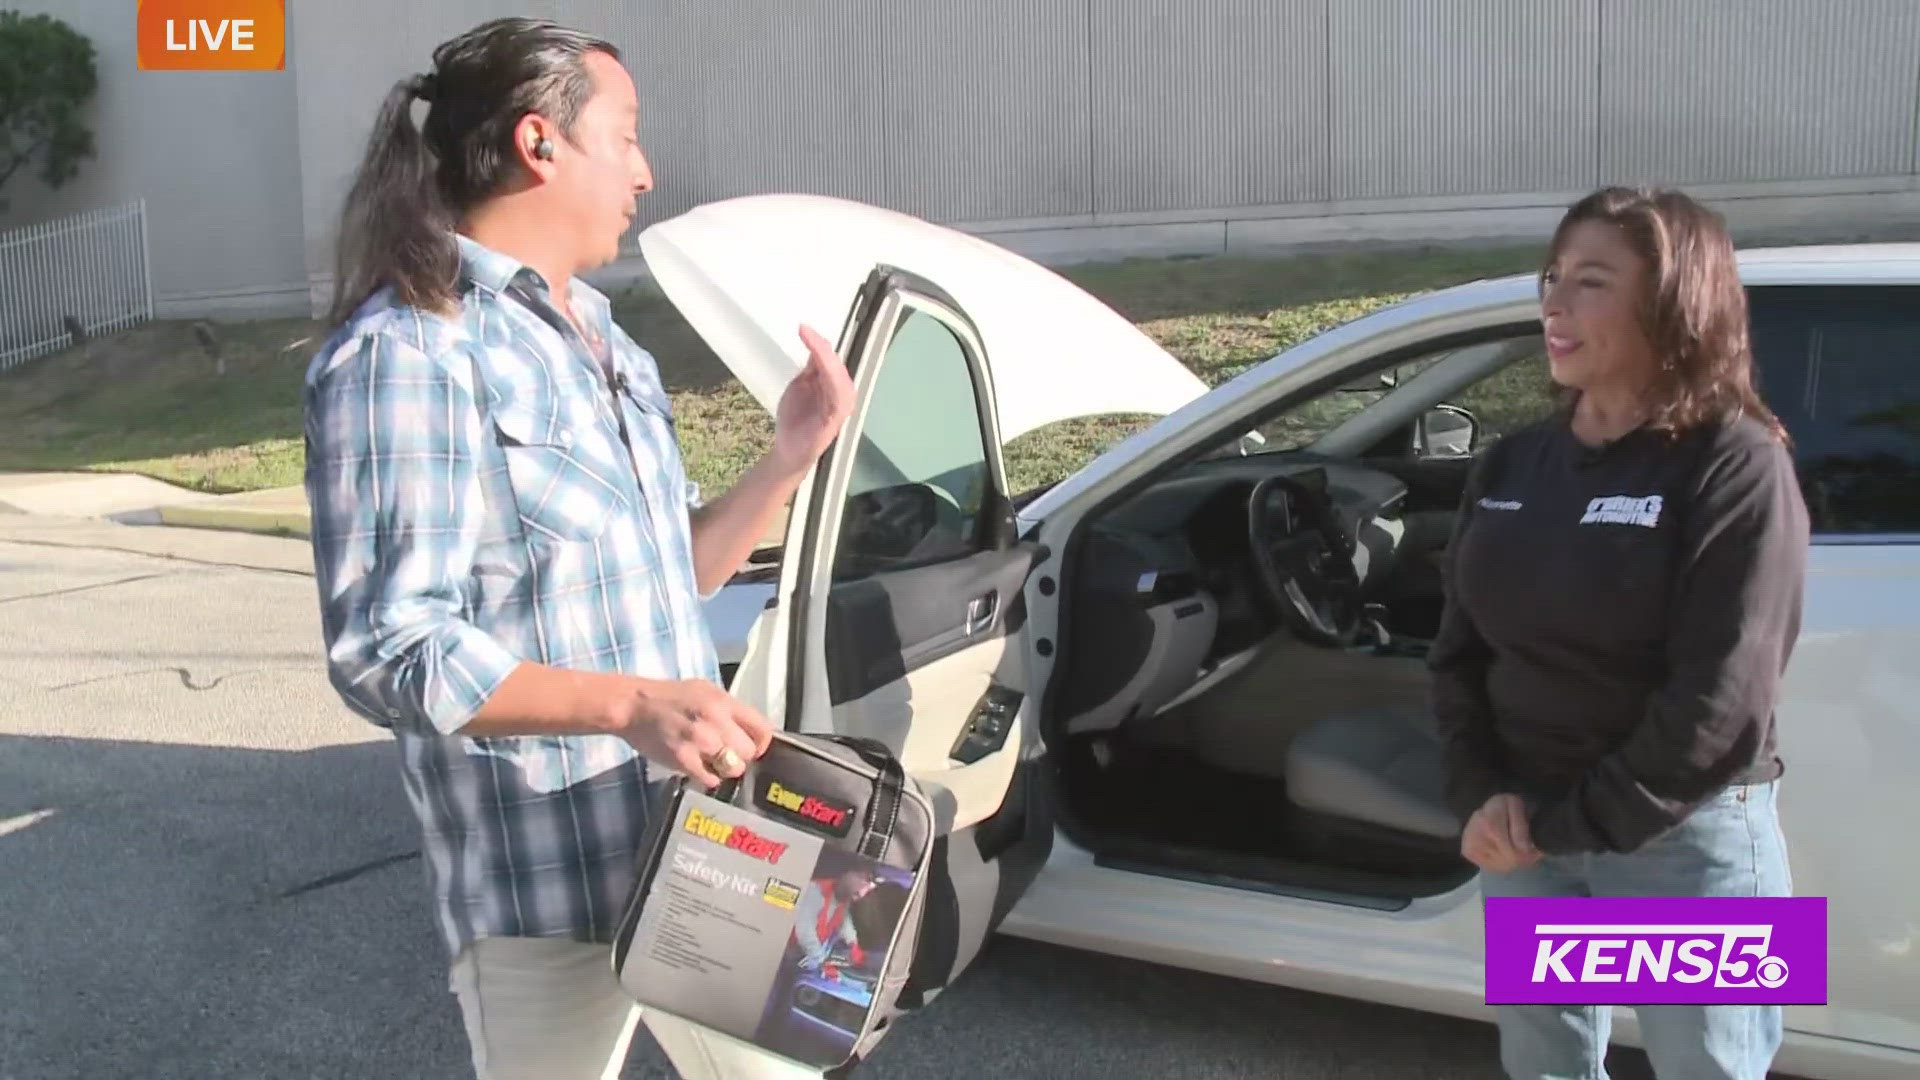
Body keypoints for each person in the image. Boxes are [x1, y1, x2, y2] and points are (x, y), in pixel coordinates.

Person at [302, 17, 855, 1080]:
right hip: (543, 892)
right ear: (538, 145)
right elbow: (387, 644)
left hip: (701, 849)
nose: (646, 172)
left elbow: (671, 579)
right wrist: (631, 706)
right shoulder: (409, 351)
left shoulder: (610, 343)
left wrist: (789, 458)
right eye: (628, 136)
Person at [1429, 186, 1808, 1080]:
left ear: (1673, 303)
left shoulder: (1737, 463)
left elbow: (1722, 704)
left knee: (1708, 1069)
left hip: (1687, 839)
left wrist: (1570, 821)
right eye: (1553, 277)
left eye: (1591, 282)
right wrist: (1480, 793)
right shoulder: (1513, 463)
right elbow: (1457, 653)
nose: (1554, 303)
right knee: (1544, 1066)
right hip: (1524, 832)